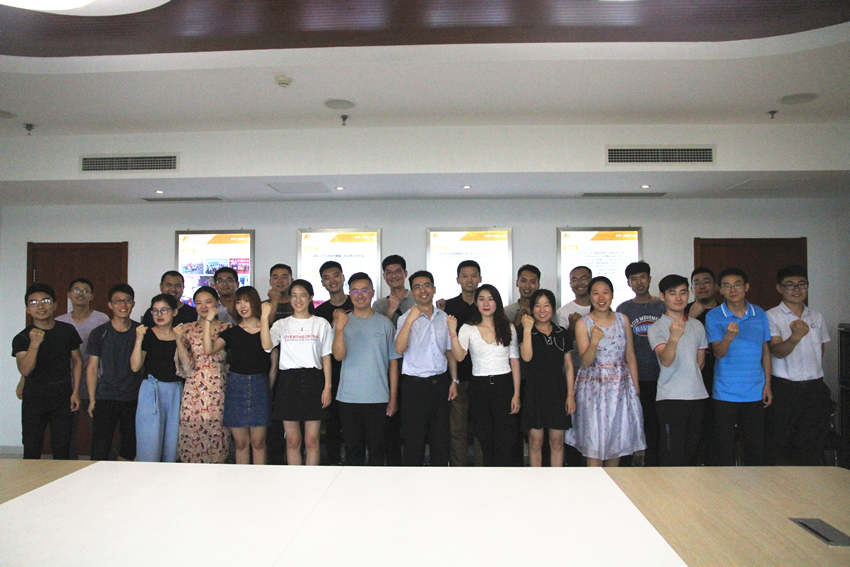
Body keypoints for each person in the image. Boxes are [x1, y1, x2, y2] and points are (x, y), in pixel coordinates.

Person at [566, 276, 645, 467]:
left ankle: (611, 483)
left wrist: (635, 388)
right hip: (593, 388)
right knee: (594, 442)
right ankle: (594, 485)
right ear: (590, 297)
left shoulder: (622, 319)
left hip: (620, 388)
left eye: (605, 293)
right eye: (596, 293)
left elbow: (630, 355)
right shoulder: (583, 323)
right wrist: (594, 341)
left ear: (612, 295)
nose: (601, 298)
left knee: (616, 442)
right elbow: (586, 361)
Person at [704, 268, 772, 466]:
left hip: (755, 390)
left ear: (746, 287)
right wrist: (728, 337)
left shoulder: (759, 313)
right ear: (720, 290)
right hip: (725, 392)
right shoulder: (714, 316)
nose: (732, 290)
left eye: (737, 285)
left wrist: (768, 385)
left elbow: (765, 351)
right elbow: (718, 353)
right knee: (723, 448)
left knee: (755, 447)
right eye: (727, 286)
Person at [261, 279, 332, 466]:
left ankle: (312, 479)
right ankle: (295, 479)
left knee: (312, 440)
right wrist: (264, 318)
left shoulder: (321, 323)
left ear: (311, 298)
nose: (298, 300)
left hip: (314, 380)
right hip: (288, 382)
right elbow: (267, 346)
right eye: (294, 296)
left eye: (302, 295)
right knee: (293, 440)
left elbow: (326, 356)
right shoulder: (281, 324)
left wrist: (327, 387)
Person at [449, 284, 521, 467]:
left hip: (504, 384)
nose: (486, 303)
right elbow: (459, 356)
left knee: (506, 437)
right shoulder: (468, 328)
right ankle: (489, 477)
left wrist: (516, 394)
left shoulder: (508, 327)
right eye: (481, 299)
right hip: (479, 386)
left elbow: (514, 361)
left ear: (497, 302)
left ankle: (505, 476)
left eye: (490, 299)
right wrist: (452, 332)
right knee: (484, 436)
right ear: (476, 302)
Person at [765, 265, 831, 465]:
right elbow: (777, 351)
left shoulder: (816, 315)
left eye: (801, 284)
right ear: (779, 288)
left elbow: (820, 349)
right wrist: (795, 337)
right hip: (785, 389)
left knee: (812, 445)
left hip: (814, 388)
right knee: (778, 443)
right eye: (790, 285)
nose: (797, 289)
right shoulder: (771, 316)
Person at [332, 273, 400, 465]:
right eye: (355, 291)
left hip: (378, 397)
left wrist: (393, 398)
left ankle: (376, 485)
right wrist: (339, 328)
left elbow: (393, 363)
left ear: (372, 292)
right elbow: (338, 356)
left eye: (364, 290)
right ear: (349, 294)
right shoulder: (342, 322)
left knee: (377, 449)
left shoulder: (385, 323)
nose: (360, 295)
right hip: (348, 397)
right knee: (353, 450)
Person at [395, 270, 458, 466]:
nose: (423, 290)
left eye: (426, 285)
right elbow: (399, 349)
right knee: (414, 440)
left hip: (440, 384)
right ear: (412, 292)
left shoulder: (444, 317)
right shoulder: (405, 318)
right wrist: (410, 320)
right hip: (414, 387)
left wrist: (454, 380)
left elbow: (449, 352)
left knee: (440, 439)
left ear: (434, 289)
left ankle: (440, 481)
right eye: (417, 287)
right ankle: (412, 483)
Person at [13, 284, 83, 460]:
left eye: (45, 301)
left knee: (62, 447)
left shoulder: (67, 331)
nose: (40, 306)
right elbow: (25, 369)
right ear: (28, 309)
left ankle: (62, 478)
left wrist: (75, 391)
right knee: (31, 447)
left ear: (55, 304)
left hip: (62, 397)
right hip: (34, 399)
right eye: (34, 303)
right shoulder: (22, 338)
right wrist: (34, 344)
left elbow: (77, 360)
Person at [204, 286, 272, 465]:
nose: (242, 306)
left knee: (258, 442)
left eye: (247, 301)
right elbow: (209, 349)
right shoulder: (231, 332)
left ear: (255, 302)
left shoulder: (268, 329)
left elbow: (267, 346)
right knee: (241, 443)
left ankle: (259, 478)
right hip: (236, 386)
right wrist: (208, 321)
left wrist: (264, 319)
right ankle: (242, 480)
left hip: (260, 385)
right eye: (238, 302)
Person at [647, 275, 709, 466]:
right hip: (670, 398)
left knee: (693, 452)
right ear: (662, 296)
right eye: (672, 293)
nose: (679, 298)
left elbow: (700, 362)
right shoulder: (656, 328)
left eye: (683, 292)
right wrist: (673, 337)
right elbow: (666, 360)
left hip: (697, 396)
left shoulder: (697, 325)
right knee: (672, 453)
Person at [131, 294, 191, 462]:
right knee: (149, 439)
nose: (159, 314)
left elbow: (187, 367)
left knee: (173, 441)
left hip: (176, 390)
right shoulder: (147, 334)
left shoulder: (182, 334)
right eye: (155, 311)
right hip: (151, 390)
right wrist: (139, 339)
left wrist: (179, 340)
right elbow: (135, 366)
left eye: (164, 310)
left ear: (174, 312)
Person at [616, 261, 665, 466]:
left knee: (655, 424)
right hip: (632, 376)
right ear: (628, 283)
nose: (639, 282)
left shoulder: (662, 306)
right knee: (629, 423)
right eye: (634, 279)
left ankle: (654, 466)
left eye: (642, 277)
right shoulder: (623, 309)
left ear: (650, 279)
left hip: (661, 376)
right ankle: (626, 466)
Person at [519, 289, 574, 467]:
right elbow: (526, 357)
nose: (542, 310)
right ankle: (536, 479)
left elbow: (568, 366)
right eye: (537, 306)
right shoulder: (525, 331)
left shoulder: (561, 333)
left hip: (557, 391)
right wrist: (527, 330)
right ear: (531, 308)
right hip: (534, 391)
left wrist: (570, 395)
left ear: (553, 308)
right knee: (535, 441)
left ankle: (556, 479)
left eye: (546, 305)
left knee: (557, 441)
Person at [55, 278, 110, 459]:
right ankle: (69, 468)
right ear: (69, 295)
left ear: (92, 296)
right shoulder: (59, 321)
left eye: (86, 290)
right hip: (67, 384)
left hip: (95, 383)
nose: (81, 293)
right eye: (76, 290)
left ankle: (105, 467)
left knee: (100, 432)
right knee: (67, 433)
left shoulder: (102, 319)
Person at [86, 284, 141, 461]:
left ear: (133, 304)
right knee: (100, 448)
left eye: (127, 300)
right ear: (110, 305)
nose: (123, 305)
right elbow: (92, 367)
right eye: (118, 301)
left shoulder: (141, 331)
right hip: (105, 397)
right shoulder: (99, 333)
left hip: (133, 398)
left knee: (130, 449)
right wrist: (92, 400)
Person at [178, 286, 231, 463]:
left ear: (217, 303)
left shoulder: (226, 327)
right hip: (194, 385)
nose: (203, 306)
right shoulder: (187, 328)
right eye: (198, 303)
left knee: (217, 430)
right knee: (192, 429)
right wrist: (178, 340)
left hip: (218, 384)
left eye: (208, 302)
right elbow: (184, 363)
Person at [372, 254, 414, 466]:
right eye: (389, 272)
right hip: (388, 369)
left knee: (413, 423)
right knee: (390, 422)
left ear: (405, 274)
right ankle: (393, 465)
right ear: (384, 277)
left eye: (398, 271)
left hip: (415, 369)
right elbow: (377, 336)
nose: (393, 276)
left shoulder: (417, 299)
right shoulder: (379, 305)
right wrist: (389, 311)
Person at [441, 260, 481, 466]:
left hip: (483, 376)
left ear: (480, 278)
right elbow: (447, 345)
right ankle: (459, 470)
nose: (469, 280)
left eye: (473, 275)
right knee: (457, 429)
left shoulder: (486, 304)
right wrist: (453, 379)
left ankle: (483, 470)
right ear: (458, 279)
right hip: (458, 377)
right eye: (464, 276)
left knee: (482, 429)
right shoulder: (449, 307)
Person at [313, 261, 352, 465]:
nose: (332, 280)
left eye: (336, 275)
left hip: (355, 372)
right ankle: (334, 463)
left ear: (343, 277)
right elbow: (319, 345)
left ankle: (356, 464)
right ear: (322, 283)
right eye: (327, 278)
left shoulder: (357, 303)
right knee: (333, 423)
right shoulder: (320, 312)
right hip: (331, 375)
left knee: (354, 423)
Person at [686, 267, 720, 464]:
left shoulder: (725, 310)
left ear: (716, 286)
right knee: (694, 423)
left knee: (716, 423)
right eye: (696, 283)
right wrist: (690, 317)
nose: (702, 286)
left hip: (720, 374)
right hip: (692, 375)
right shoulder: (684, 311)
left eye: (706, 281)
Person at [263, 263, 294, 465]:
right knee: (273, 416)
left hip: (294, 367)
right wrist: (273, 302)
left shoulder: (298, 303)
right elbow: (266, 330)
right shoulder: (264, 305)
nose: (280, 280)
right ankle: (274, 461)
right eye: (275, 277)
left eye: (284, 276)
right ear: (270, 281)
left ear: (291, 279)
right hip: (270, 366)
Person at [555, 266, 593, 333]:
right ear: (570, 284)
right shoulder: (562, 312)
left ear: (591, 281)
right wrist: (572, 326)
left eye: (583, 279)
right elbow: (562, 338)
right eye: (574, 280)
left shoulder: (601, 307)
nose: (579, 283)